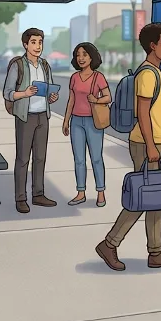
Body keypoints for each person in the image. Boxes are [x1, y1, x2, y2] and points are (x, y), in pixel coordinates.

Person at [96, 23, 161, 271]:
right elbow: (142, 113)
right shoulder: (147, 74)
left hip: (153, 141)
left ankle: (156, 252)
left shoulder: (154, 71)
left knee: (156, 197)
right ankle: (110, 243)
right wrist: (151, 146)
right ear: (152, 46)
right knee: (143, 196)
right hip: (146, 143)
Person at [2, 27, 60, 213]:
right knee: (22, 158)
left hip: (43, 114)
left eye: (40, 42)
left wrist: (52, 97)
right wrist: (24, 93)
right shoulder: (18, 65)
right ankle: (20, 198)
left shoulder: (44, 65)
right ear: (25, 45)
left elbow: (50, 89)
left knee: (40, 157)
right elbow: (8, 93)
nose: (37, 46)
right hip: (25, 117)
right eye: (33, 42)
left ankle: (38, 194)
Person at [61, 42, 110, 207]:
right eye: (78, 55)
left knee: (96, 158)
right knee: (79, 160)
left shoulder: (98, 77)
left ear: (91, 57)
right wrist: (66, 120)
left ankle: (101, 192)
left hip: (93, 122)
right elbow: (71, 100)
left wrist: (96, 100)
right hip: (76, 122)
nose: (81, 58)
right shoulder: (74, 77)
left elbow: (108, 97)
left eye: (84, 54)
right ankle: (80, 192)